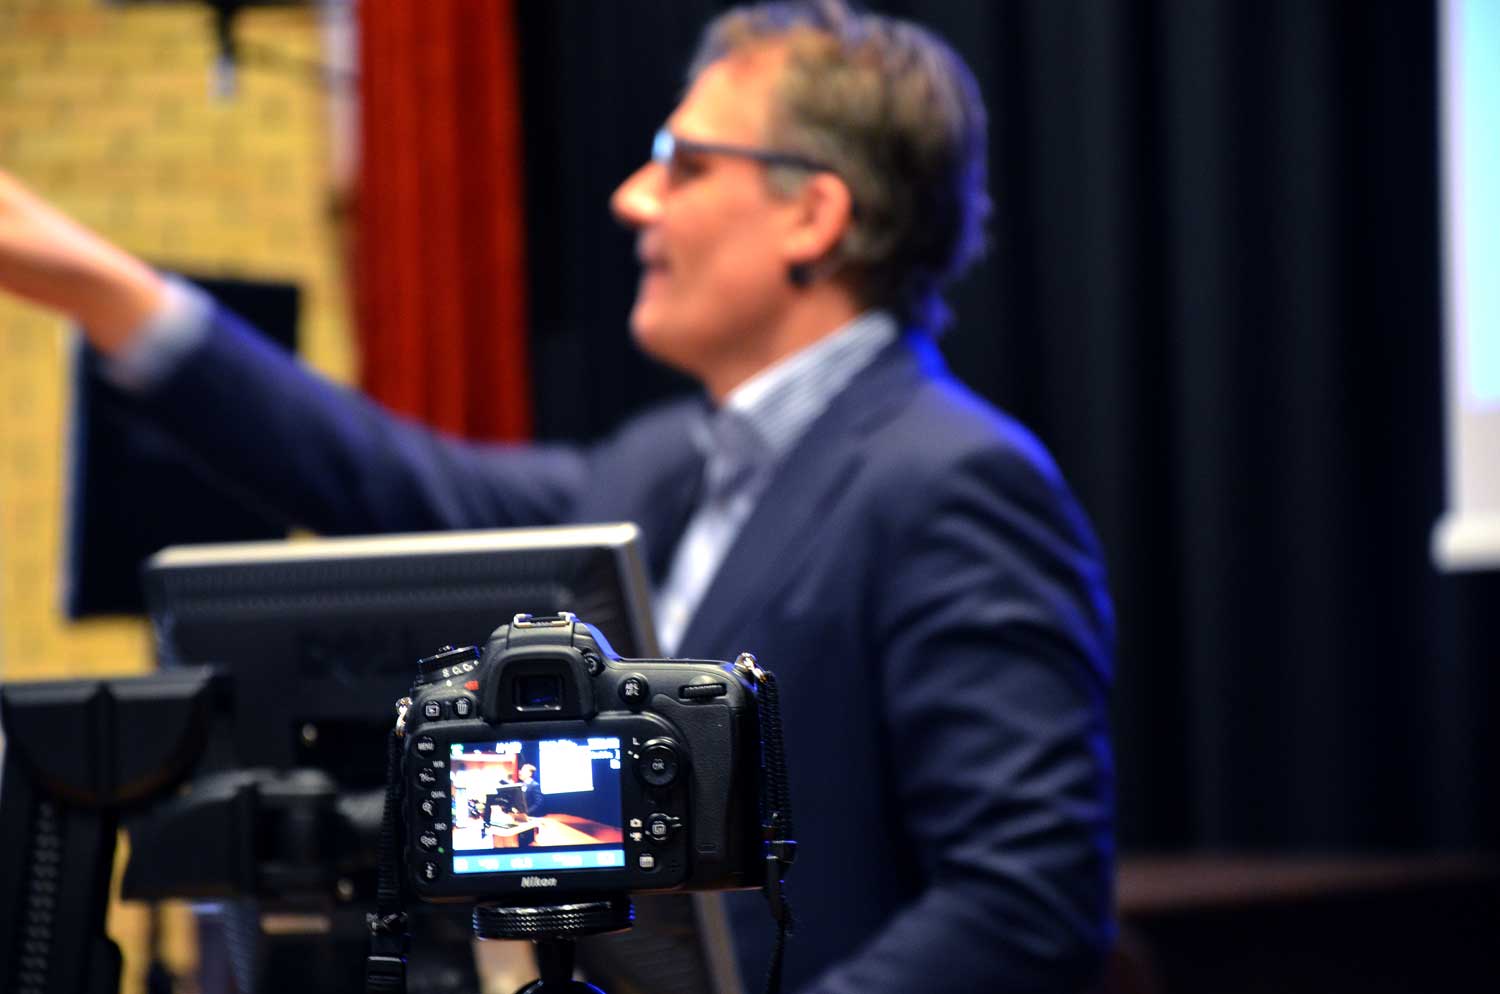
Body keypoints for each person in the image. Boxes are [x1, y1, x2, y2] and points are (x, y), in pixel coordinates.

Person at [0, 2, 1115, 992]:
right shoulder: (662, 467)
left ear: (811, 216)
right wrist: (111, 295)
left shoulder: (954, 479)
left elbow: (1024, 903)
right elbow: (385, 481)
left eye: (683, 164)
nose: (633, 198)